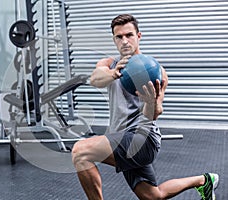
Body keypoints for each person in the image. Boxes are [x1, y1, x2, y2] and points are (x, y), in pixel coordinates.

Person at [71, 14, 219, 200]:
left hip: (143, 138)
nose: (124, 41)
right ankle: (204, 181)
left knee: (80, 152)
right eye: (119, 37)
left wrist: (150, 103)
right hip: (121, 136)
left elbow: (156, 112)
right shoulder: (108, 64)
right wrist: (114, 74)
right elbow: (95, 79)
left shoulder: (156, 71)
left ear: (138, 36)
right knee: (152, 196)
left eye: (129, 35)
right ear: (114, 39)